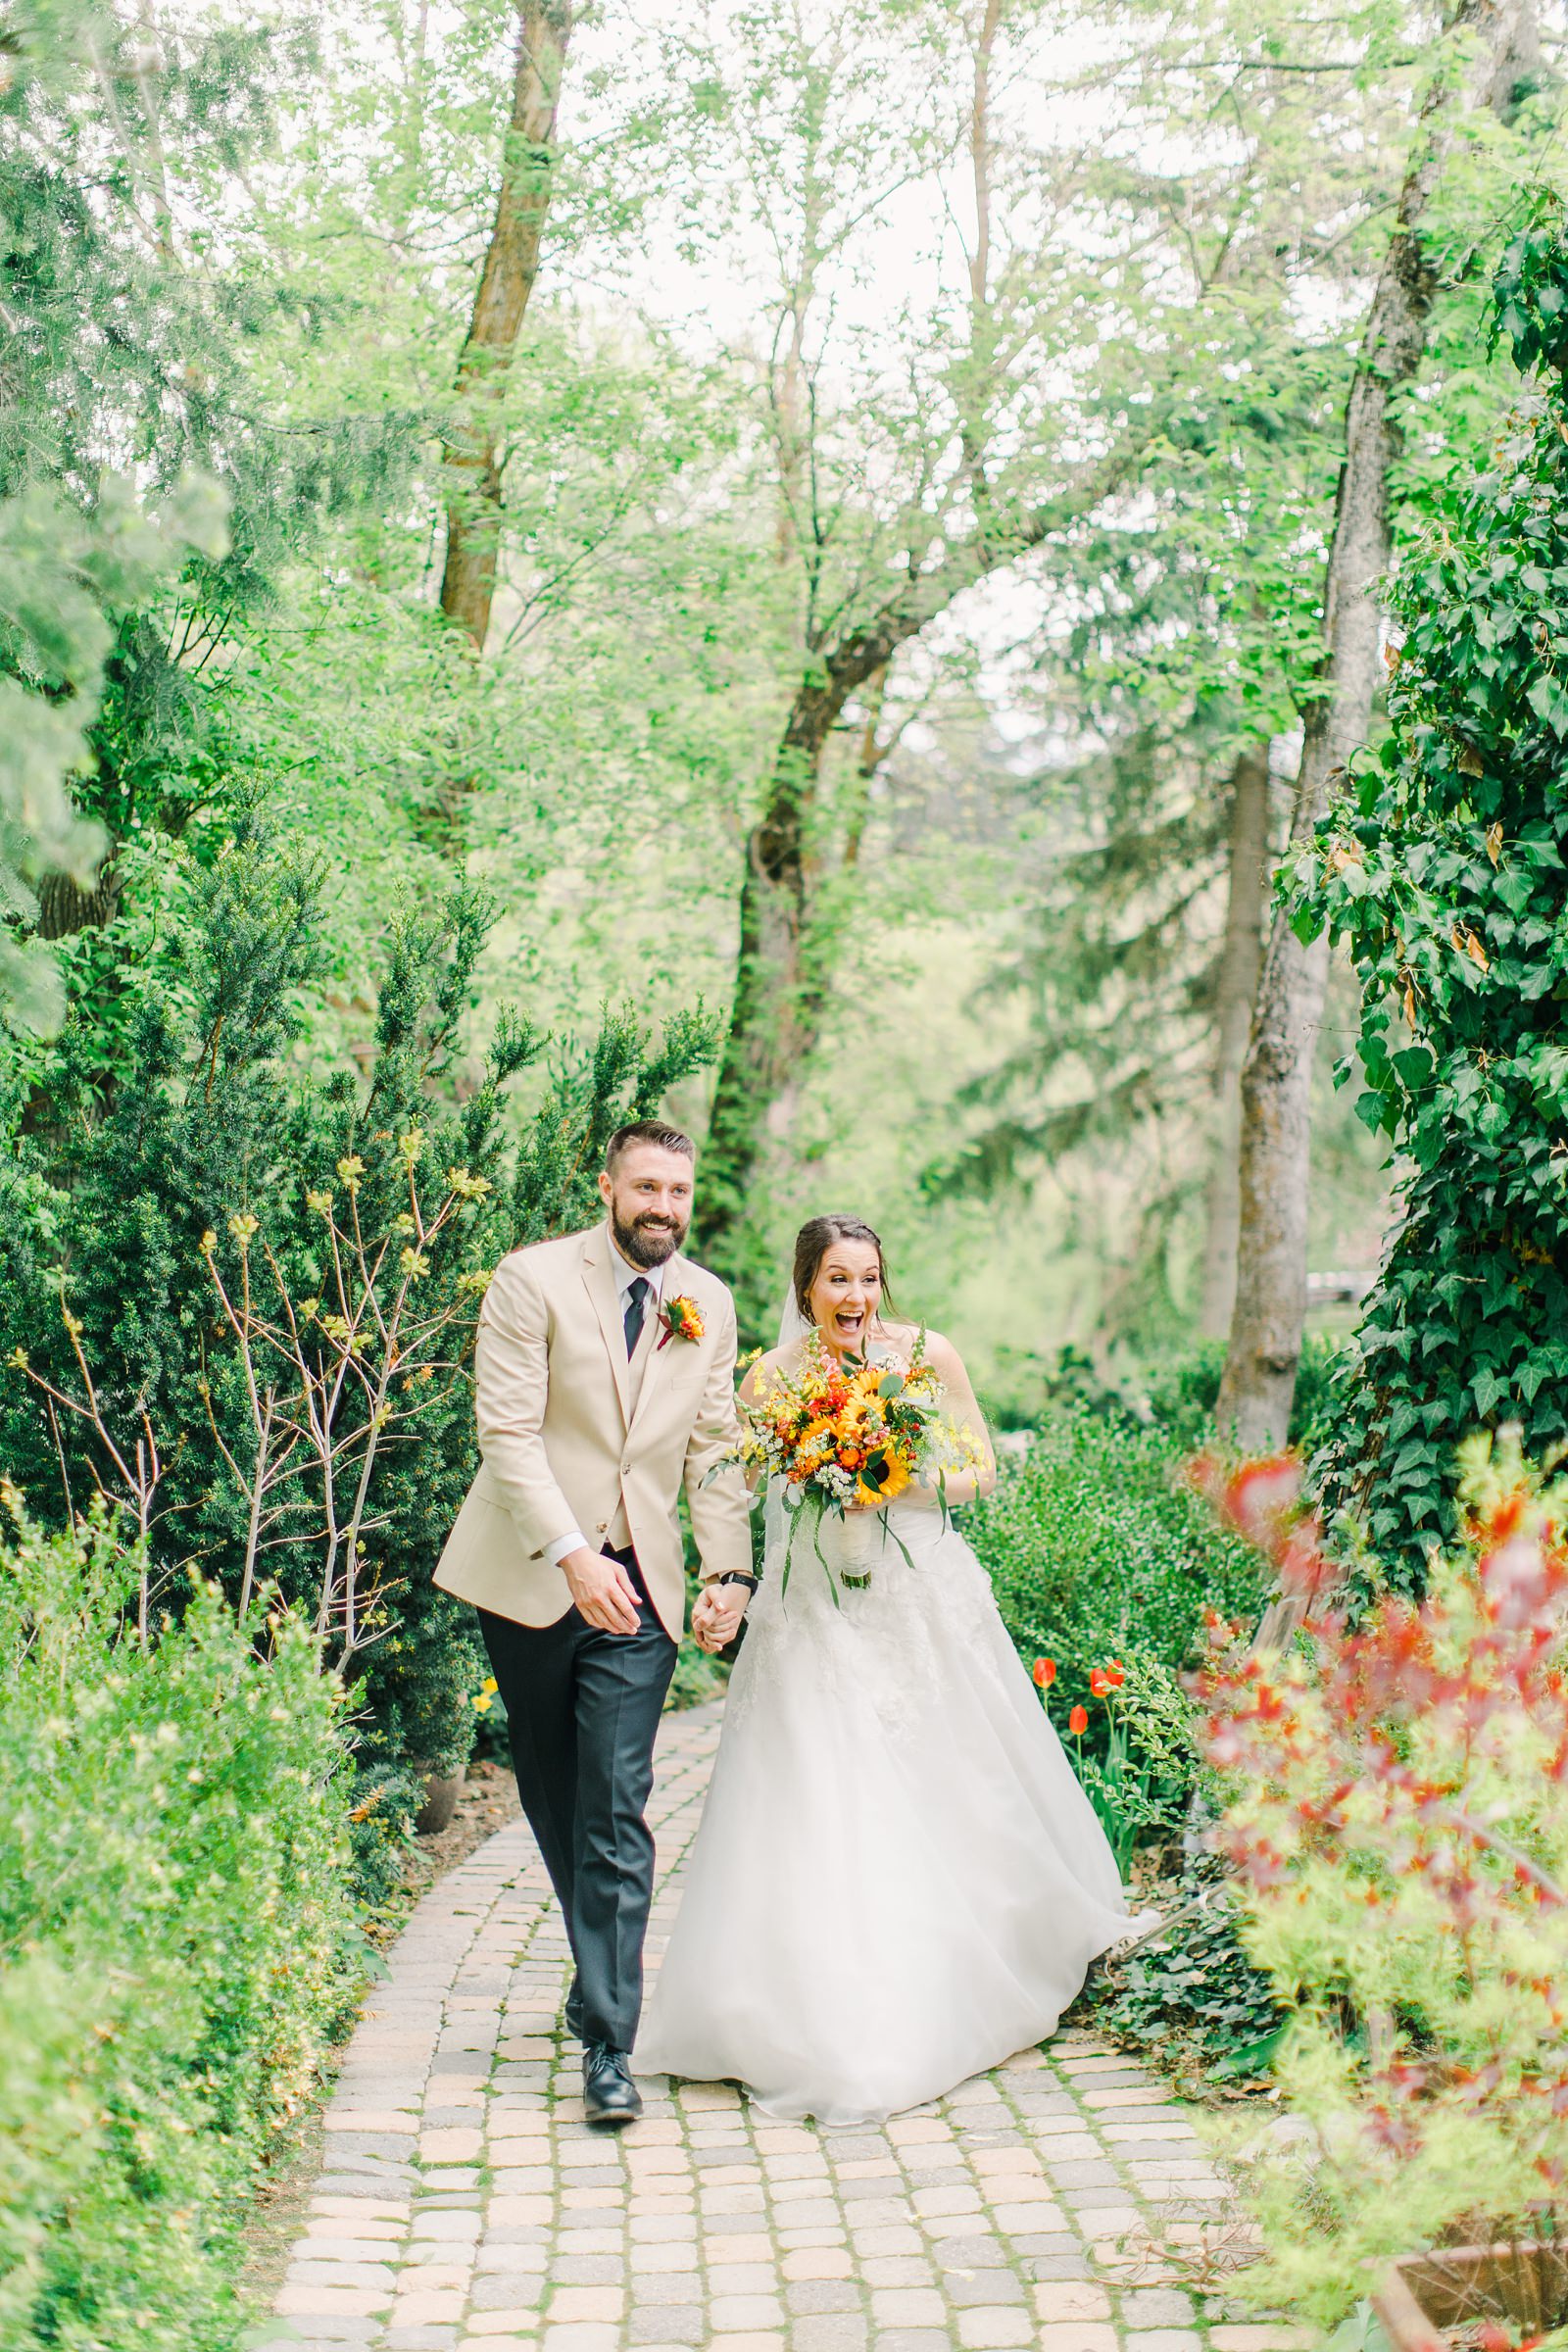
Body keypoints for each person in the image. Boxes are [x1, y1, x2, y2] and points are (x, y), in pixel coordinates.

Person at [634, 1212, 1144, 2125]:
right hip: (810, 1608)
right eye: (836, 1280)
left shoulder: (927, 1355)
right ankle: (793, 2004)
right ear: (805, 1289)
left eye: (868, 1278)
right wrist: (735, 1561)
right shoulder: (771, 1376)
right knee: (815, 1786)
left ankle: (967, 1960)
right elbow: (733, 1479)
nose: (856, 1298)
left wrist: (893, 1476)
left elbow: (981, 1469)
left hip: (918, 1596)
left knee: (949, 1775)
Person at [434, 1122, 752, 2128]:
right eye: (647, 1186)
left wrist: (729, 1569)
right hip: (532, 1571)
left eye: (680, 1191)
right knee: (553, 1791)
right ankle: (597, 1967)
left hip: (642, 1587)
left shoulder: (707, 1302)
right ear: (607, 1186)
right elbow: (508, 1434)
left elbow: (713, 1450)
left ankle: (610, 2040)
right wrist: (575, 1558)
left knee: (614, 1802)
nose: (664, 1206)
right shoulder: (531, 1282)